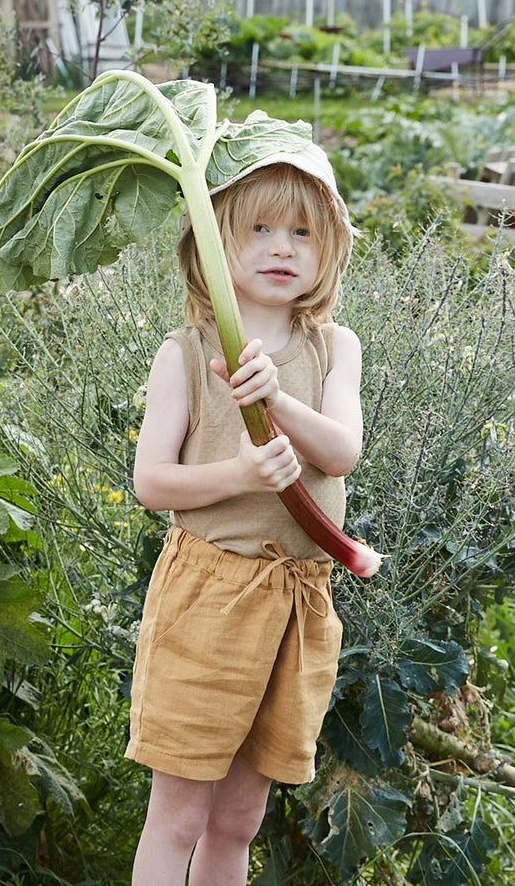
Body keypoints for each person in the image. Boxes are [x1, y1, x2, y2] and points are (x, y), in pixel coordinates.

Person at [127, 140, 361, 886]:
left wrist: (275, 400)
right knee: (179, 818)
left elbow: (341, 451)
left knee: (237, 820)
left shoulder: (335, 348)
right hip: (211, 597)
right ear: (214, 244)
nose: (281, 248)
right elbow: (151, 483)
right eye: (259, 229)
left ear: (329, 251)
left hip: (299, 601)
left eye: (302, 232)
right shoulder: (186, 354)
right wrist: (239, 472)